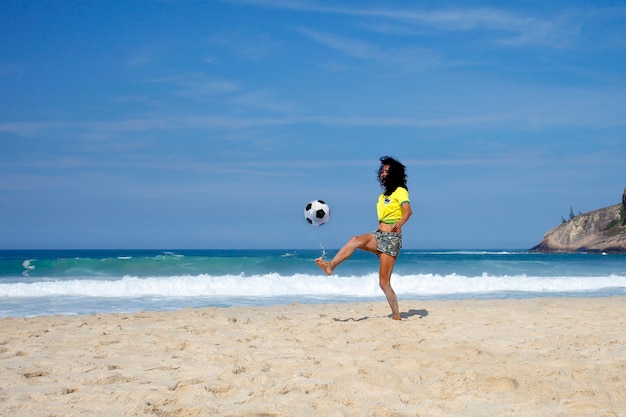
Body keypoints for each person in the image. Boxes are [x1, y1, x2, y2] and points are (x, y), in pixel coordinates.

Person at [315, 156, 412, 320]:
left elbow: (408, 210)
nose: (383, 173)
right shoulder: (382, 196)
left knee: (384, 283)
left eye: (387, 171)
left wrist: (400, 222)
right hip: (379, 235)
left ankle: (396, 315)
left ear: (394, 174)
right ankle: (331, 266)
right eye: (382, 171)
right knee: (355, 240)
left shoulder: (400, 191)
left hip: (392, 239)